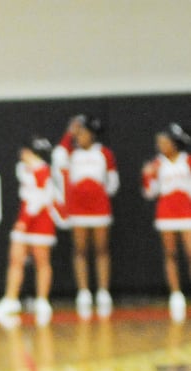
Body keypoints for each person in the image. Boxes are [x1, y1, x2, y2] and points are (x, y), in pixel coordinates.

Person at [51, 114, 119, 319]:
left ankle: (103, 292)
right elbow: (57, 157)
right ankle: (83, 292)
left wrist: (99, 194)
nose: (79, 136)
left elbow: (113, 182)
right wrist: (68, 133)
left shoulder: (104, 153)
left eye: (83, 133)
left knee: (101, 249)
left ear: (92, 134)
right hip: (78, 210)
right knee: (80, 249)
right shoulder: (71, 153)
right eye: (77, 133)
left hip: (99, 208)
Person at [0, 137, 59, 327]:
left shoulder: (43, 171)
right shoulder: (25, 170)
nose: (21, 154)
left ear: (32, 152)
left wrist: (24, 221)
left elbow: (40, 200)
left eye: (25, 151)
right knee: (15, 259)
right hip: (24, 221)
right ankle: (11, 299)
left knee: (41, 260)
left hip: (40, 222)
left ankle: (42, 300)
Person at [141, 122, 191, 322]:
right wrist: (147, 176)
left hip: (187, 214)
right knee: (170, 254)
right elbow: (149, 192)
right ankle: (176, 294)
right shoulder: (157, 164)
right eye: (159, 143)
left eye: (164, 142)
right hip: (166, 214)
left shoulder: (187, 161)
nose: (161, 146)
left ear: (175, 143)